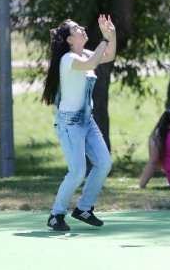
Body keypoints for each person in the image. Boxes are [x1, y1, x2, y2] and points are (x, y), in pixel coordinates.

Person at [42, 15, 116, 232]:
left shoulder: (83, 53)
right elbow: (93, 62)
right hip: (70, 122)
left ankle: (83, 208)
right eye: (77, 29)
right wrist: (104, 38)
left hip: (87, 120)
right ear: (69, 40)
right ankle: (56, 214)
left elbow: (109, 55)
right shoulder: (68, 59)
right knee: (77, 171)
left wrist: (111, 33)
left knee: (103, 163)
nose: (82, 28)